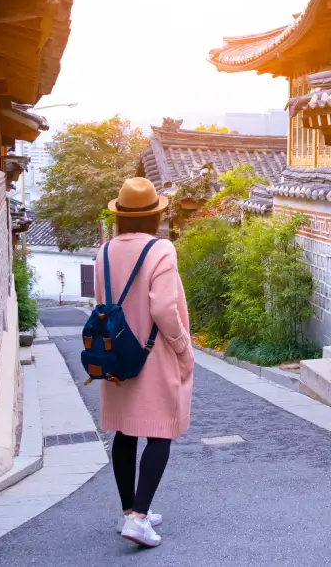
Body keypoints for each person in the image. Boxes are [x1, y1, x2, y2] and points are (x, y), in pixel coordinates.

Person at [97, 177, 194, 548]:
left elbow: (103, 301)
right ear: (156, 216)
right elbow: (164, 308)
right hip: (153, 354)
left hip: (117, 354)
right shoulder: (161, 250)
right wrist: (182, 345)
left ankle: (130, 512)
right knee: (160, 430)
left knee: (125, 430)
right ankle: (139, 519)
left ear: (120, 215)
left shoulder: (104, 250)